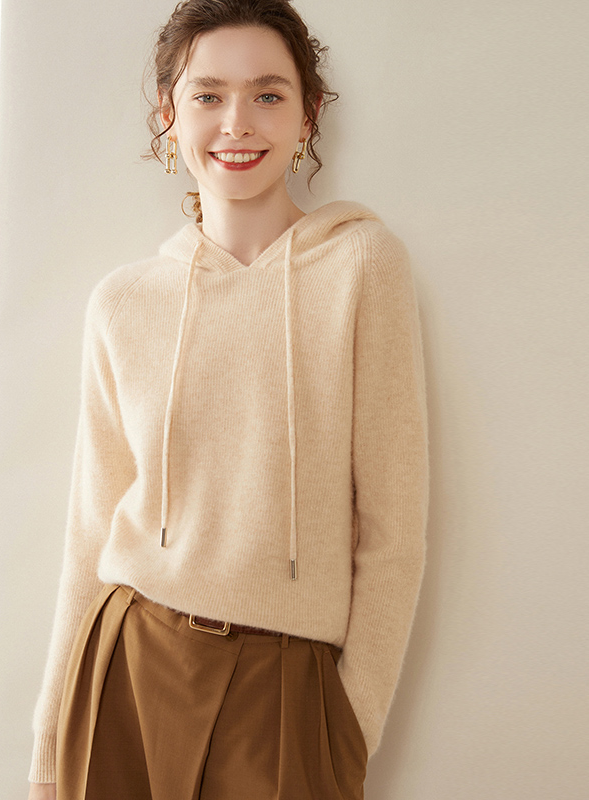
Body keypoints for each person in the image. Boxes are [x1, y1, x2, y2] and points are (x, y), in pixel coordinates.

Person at [26, 1, 428, 798]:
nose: (237, 122)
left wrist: (349, 730)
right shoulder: (122, 302)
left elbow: (394, 529)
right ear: (169, 115)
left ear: (308, 115)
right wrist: (47, 745)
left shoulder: (363, 266)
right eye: (208, 95)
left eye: (268, 94)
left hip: (284, 684)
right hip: (126, 670)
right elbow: (90, 529)